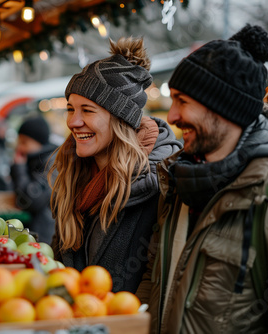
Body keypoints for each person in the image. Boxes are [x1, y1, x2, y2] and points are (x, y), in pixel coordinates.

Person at [136, 24, 268, 333]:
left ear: (223, 109)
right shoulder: (179, 183)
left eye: (183, 101)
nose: (171, 116)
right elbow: (154, 279)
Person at [49, 37, 182, 294]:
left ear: (121, 120)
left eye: (87, 110)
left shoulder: (163, 181)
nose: (73, 122)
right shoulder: (72, 176)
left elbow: (158, 284)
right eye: (70, 109)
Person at [10, 115, 58, 245]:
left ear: (39, 142)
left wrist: (19, 168)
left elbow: (32, 199)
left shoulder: (52, 163)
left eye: (24, 142)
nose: (20, 148)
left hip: (46, 235)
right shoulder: (35, 160)